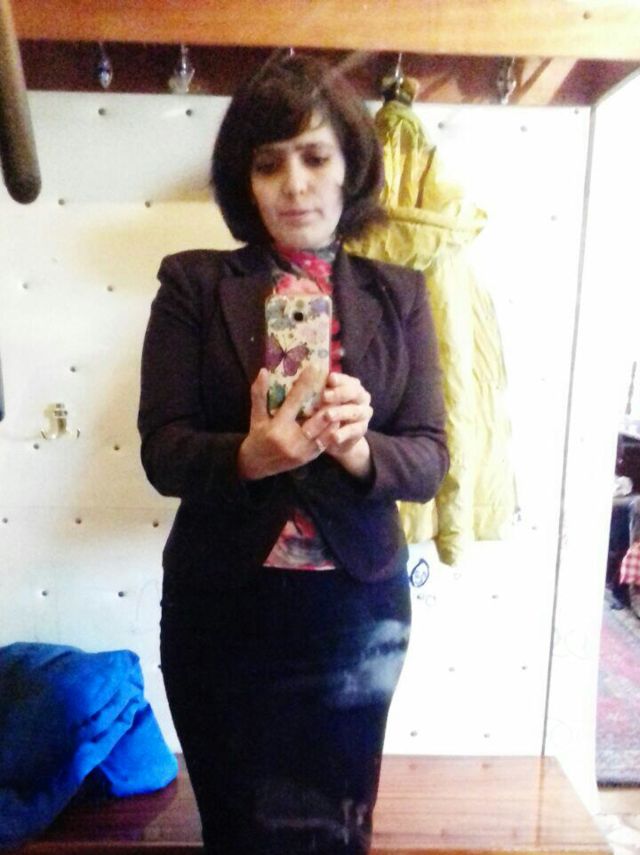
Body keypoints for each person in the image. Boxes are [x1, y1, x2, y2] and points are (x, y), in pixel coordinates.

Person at [138, 53, 449, 855]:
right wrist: (248, 456)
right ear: (244, 180)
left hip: (357, 609)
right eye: (269, 163)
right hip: (223, 603)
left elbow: (429, 458)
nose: (294, 184)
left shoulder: (399, 294)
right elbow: (163, 451)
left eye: (315, 157)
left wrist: (359, 450)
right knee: (235, 825)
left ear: (350, 168)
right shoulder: (193, 284)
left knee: (338, 825)